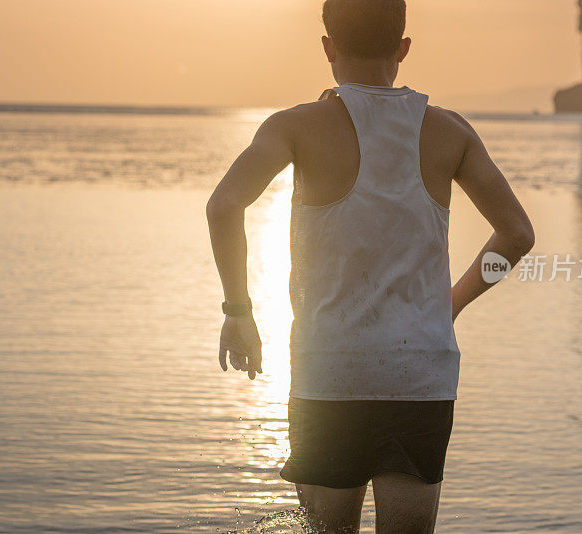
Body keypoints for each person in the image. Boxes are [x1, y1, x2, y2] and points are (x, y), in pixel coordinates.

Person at [206, 0, 535, 531]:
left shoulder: (295, 125)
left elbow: (223, 205)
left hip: (330, 370)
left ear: (328, 48)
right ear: (402, 50)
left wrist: (238, 312)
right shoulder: (450, 132)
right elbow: (517, 235)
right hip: (420, 374)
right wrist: (449, 303)